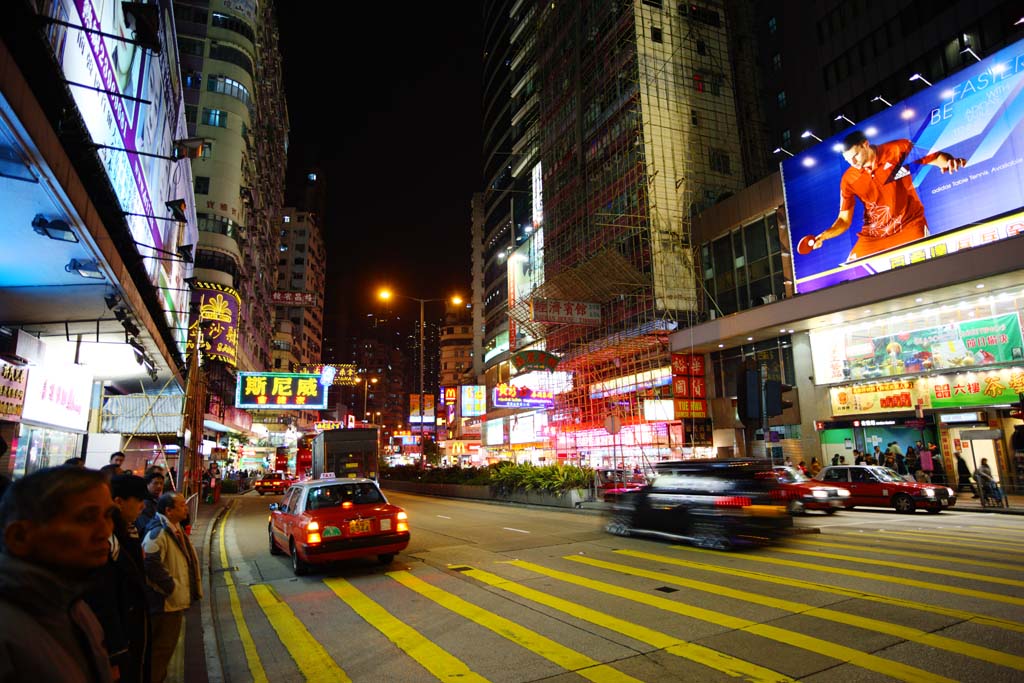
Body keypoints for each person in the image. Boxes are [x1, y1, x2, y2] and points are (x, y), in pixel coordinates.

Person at [0, 467, 115, 682]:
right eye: (85, 519)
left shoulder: (74, 606)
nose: (105, 531)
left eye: (108, 515)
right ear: (20, 536)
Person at [809, 130, 967, 261]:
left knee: (924, 270)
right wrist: (825, 235)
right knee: (853, 273)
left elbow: (936, 157)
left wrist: (950, 162)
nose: (853, 162)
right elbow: (844, 219)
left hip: (909, 225)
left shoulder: (898, 149)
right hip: (873, 237)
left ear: (865, 144)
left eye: (855, 155)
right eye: (848, 159)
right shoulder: (848, 180)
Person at [83, 474, 152, 683]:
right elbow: (102, 603)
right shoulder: (102, 547)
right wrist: (115, 655)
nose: (142, 506)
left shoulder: (130, 533)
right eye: (139, 500)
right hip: (118, 647)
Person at [142, 493, 202, 683]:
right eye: (182, 505)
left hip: (172, 604)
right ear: (168, 510)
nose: (186, 508)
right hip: (165, 605)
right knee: (161, 652)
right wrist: (171, 588)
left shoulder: (174, 528)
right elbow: (150, 563)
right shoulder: (159, 531)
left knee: (165, 652)